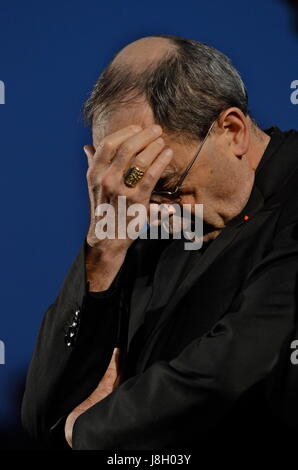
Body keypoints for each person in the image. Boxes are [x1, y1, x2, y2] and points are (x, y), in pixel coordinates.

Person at [21, 34, 298, 450]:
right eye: (135, 186)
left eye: (165, 183)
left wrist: (84, 432)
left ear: (233, 130)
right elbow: (42, 415)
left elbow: (237, 368)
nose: (155, 210)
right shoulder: (144, 215)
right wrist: (104, 250)